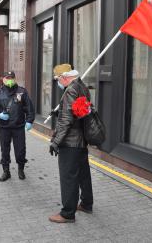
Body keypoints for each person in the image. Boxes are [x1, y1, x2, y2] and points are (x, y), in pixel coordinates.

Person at [48, 64, 94, 223]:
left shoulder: (70, 90)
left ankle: (67, 213)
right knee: (83, 174)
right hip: (81, 140)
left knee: (68, 177)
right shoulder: (82, 86)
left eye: (57, 79)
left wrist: (55, 141)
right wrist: (59, 112)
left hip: (70, 142)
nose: (58, 82)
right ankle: (87, 204)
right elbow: (79, 112)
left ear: (64, 77)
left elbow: (66, 121)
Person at [0, 71, 35, 181]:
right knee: (5, 150)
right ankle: (6, 171)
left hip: (18, 126)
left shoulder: (22, 92)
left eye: (11, 78)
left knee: (20, 150)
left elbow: (29, 108)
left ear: (15, 79)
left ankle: (21, 169)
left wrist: (29, 121)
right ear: (3, 79)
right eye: (7, 78)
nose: (9, 80)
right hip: (4, 127)